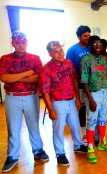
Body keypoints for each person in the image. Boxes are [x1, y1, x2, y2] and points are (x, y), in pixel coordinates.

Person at [0, 31, 49, 173]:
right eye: (17, 43)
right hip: (12, 97)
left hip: (31, 96)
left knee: (33, 125)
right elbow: (4, 78)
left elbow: (38, 78)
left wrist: (14, 77)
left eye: (23, 42)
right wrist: (27, 73)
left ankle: (38, 150)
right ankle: (12, 156)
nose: (20, 45)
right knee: (13, 128)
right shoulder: (5, 59)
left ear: (27, 42)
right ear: (13, 43)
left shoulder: (35, 58)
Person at [39, 41, 87, 166]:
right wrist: (50, 109)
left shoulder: (68, 63)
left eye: (61, 50)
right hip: (57, 102)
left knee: (75, 125)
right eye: (56, 51)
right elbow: (45, 91)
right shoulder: (46, 69)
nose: (60, 53)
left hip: (71, 100)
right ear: (49, 54)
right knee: (58, 129)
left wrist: (77, 98)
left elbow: (75, 80)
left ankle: (78, 145)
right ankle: (60, 154)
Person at [80, 36, 107, 163]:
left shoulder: (104, 59)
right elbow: (84, 82)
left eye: (99, 44)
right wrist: (91, 100)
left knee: (102, 118)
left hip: (104, 92)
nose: (98, 47)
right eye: (95, 45)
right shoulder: (86, 60)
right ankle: (90, 148)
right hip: (93, 94)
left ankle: (102, 142)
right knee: (92, 120)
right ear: (90, 45)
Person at [66, 25, 91, 146]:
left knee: (92, 108)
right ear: (79, 36)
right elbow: (70, 70)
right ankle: (84, 133)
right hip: (80, 85)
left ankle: (93, 132)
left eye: (88, 35)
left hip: (92, 85)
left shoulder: (92, 46)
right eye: (85, 36)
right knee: (81, 109)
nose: (87, 38)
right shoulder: (72, 50)